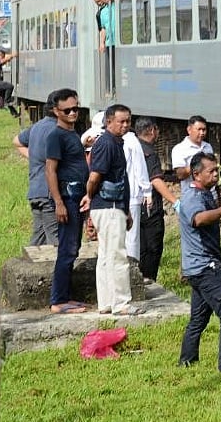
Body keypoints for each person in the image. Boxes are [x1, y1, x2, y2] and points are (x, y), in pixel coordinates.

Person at [178, 152, 221, 372]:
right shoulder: (192, 196)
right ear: (196, 174)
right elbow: (198, 219)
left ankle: (187, 360)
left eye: (217, 170)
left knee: (199, 318)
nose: (216, 175)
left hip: (197, 267)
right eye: (211, 171)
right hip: (205, 268)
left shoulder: (204, 192)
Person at [81, 104, 143, 316]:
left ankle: (106, 302)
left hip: (109, 207)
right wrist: (90, 196)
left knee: (106, 255)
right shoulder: (107, 144)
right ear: (109, 122)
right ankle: (122, 304)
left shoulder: (113, 143)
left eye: (128, 121)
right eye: (121, 121)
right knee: (117, 255)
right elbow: (94, 176)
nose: (125, 125)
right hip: (109, 206)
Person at [43, 88, 90, 314]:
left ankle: (65, 297)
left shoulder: (72, 133)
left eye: (75, 108)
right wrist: (59, 202)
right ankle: (58, 300)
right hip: (67, 198)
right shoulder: (56, 136)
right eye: (67, 110)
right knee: (67, 249)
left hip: (77, 197)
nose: (73, 113)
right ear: (56, 111)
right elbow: (50, 170)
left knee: (74, 247)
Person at [136, 116, 180, 282]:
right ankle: (148, 282)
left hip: (135, 206)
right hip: (149, 209)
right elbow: (156, 180)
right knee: (152, 248)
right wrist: (175, 202)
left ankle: (138, 280)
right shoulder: (150, 153)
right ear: (153, 130)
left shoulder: (132, 147)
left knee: (139, 247)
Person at [12, 97, 61, 246]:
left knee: (38, 238)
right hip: (49, 193)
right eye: (69, 109)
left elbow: (17, 141)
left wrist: (33, 155)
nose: (73, 112)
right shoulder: (56, 130)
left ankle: (28, 268)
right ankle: (56, 269)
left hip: (35, 191)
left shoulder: (37, 126)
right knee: (56, 240)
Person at [122, 126, 152, 264]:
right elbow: (140, 167)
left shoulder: (125, 140)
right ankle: (132, 268)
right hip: (131, 195)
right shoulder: (131, 141)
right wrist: (147, 190)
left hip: (121, 195)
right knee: (131, 237)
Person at [171, 115, 214, 197]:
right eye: (199, 129)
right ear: (189, 130)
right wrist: (197, 165)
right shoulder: (179, 149)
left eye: (204, 130)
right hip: (192, 196)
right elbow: (180, 175)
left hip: (210, 194)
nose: (202, 133)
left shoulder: (208, 147)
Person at [96, 0, 116, 94]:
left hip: (119, 42)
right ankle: (111, 88)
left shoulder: (117, 7)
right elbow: (103, 29)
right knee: (110, 67)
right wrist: (102, 43)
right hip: (110, 43)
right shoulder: (102, 12)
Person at [0, 49, 20, 117]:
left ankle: (14, 113)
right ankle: (7, 102)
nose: (3, 58)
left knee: (6, 98)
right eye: (2, 56)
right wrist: (13, 55)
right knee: (10, 87)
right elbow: (2, 61)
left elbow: (4, 61)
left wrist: (10, 57)